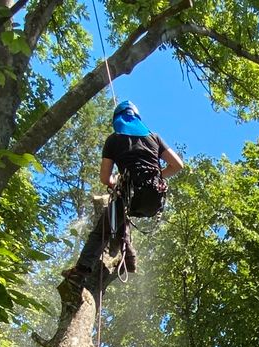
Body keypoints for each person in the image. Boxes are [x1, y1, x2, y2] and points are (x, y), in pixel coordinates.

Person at [62, 100, 183, 285]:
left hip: (130, 195)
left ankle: (81, 271)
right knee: (119, 215)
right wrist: (157, 176)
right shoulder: (154, 137)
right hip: (153, 199)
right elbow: (177, 165)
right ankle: (129, 258)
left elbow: (105, 178)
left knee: (101, 231)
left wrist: (116, 182)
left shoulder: (113, 140)